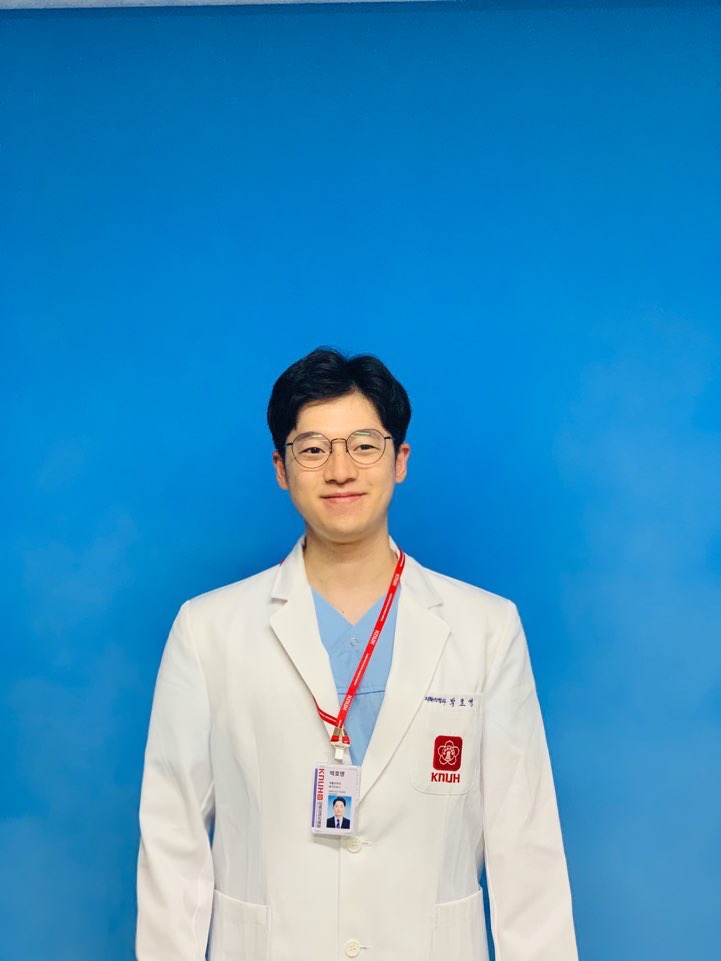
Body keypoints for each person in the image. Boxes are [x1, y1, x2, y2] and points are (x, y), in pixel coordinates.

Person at [136, 347, 578, 961]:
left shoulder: (487, 628)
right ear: (281, 468)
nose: (340, 470)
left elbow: (525, 843)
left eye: (364, 445)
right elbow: (172, 837)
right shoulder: (208, 629)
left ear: (400, 460)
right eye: (313, 449)